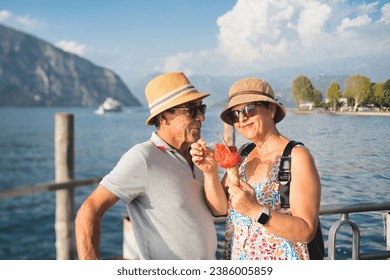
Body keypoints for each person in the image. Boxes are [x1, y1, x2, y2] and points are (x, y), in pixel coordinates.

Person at [75, 72, 222, 260]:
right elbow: (89, 209)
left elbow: (217, 210)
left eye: (202, 109)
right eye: (191, 111)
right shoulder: (142, 158)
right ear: (164, 118)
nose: (201, 117)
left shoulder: (201, 155)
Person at [190, 77, 321, 260]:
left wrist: (255, 210)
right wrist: (210, 171)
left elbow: (306, 230)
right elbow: (219, 209)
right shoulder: (243, 155)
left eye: (249, 110)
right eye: (235, 115)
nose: (242, 118)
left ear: (271, 109)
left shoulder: (296, 157)